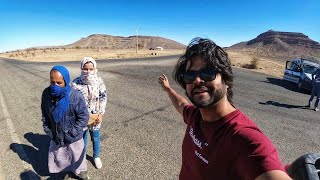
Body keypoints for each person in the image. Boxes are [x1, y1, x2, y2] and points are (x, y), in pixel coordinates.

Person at [158, 37, 292, 180]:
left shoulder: (243, 137)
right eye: (190, 75)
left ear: (226, 80)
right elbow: (181, 104)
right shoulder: (195, 116)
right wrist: (168, 89)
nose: (197, 80)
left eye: (208, 73)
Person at [41, 65, 89, 179]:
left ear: (66, 81)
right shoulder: (46, 94)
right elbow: (44, 115)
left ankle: (83, 175)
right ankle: (65, 173)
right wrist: (50, 132)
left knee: (78, 161)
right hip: (56, 138)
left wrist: (71, 133)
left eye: (59, 82)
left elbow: (83, 117)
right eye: (52, 82)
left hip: (73, 138)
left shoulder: (75, 96)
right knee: (61, 160)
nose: (55, 86)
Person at [71, 57, 107, 169]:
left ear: (95, 68)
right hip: (81, 118)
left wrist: (101, 114)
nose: (88, 71)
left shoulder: (99, 81)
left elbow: (103, 97)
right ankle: (81, 159)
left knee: (96, 138)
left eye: (91, 69)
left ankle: (96, 157)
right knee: (82, 140)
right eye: (85, 69)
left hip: (95, 117)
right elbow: (72, 102)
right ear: (81, 68)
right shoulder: (75, 83)